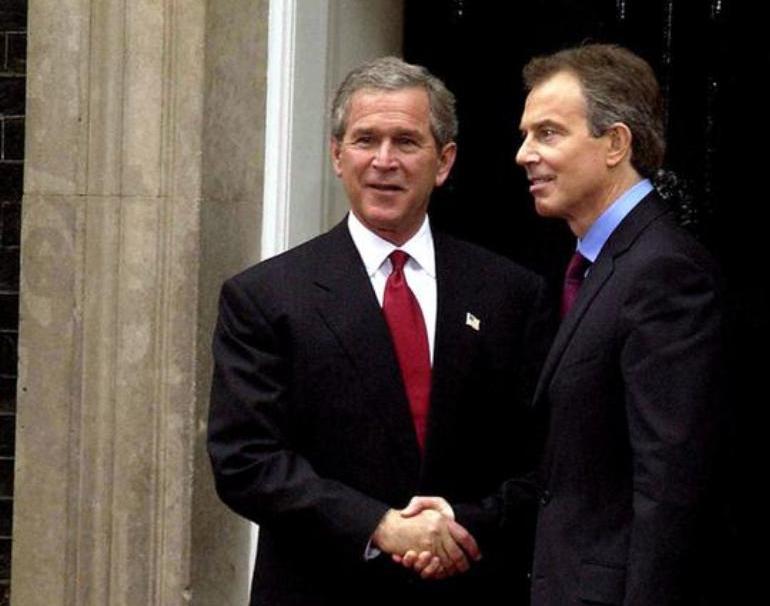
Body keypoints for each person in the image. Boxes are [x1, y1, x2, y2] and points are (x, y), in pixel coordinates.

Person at [207, 56, 552, 606]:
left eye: (407, 142)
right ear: (337, 155)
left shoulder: (511, 294)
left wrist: (462, 525)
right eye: (366, 140)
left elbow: (542, 461)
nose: (384, 161)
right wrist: (380, 526)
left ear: (444, 162)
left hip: (470, 586)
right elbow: (245, 460)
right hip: (321, 588)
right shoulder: (266, 297)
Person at [402, 44, 723, 605]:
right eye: (527, 135)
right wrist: (469, 516)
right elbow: (572, 469)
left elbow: (670, 482)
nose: (524, 154)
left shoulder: (662, 270)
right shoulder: (595, 266)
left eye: (548, 133)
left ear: (615, 144)